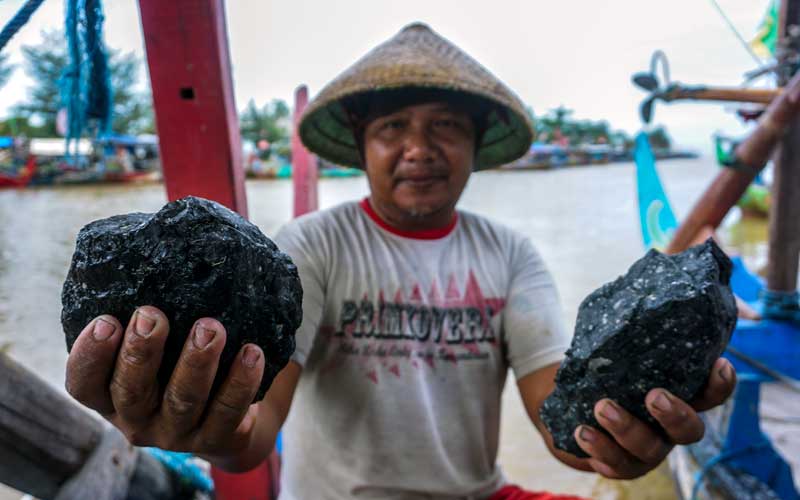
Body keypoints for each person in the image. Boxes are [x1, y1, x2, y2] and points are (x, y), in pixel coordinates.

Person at [66, 24, 740, 499]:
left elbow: (555, 418)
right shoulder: (313, 244)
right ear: (362, 148)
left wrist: (619, 440)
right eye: (392, 128)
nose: (418, 147)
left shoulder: (510, 253)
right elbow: (253, 431)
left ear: (477, 143)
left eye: (445, 125)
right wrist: (195, 421)